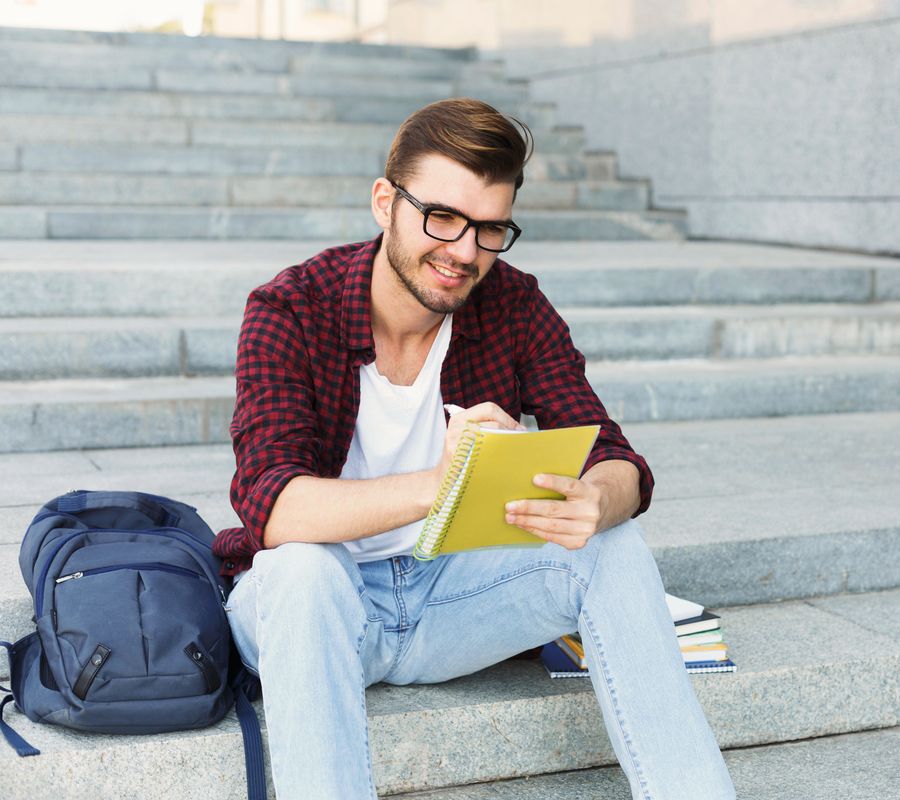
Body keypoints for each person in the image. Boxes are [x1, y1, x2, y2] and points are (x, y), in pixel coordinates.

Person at [211, 97, 736, 799]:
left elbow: (618, 459)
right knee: (303, 570)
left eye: (490, 230)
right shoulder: (292, 308)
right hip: (314, 612)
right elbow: (271, 506)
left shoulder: (513, 304)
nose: (464, 252)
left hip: (451, 602)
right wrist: (445, 480)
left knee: (611, 547)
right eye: (443, 218)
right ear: (384, 202)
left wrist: (594, 500)